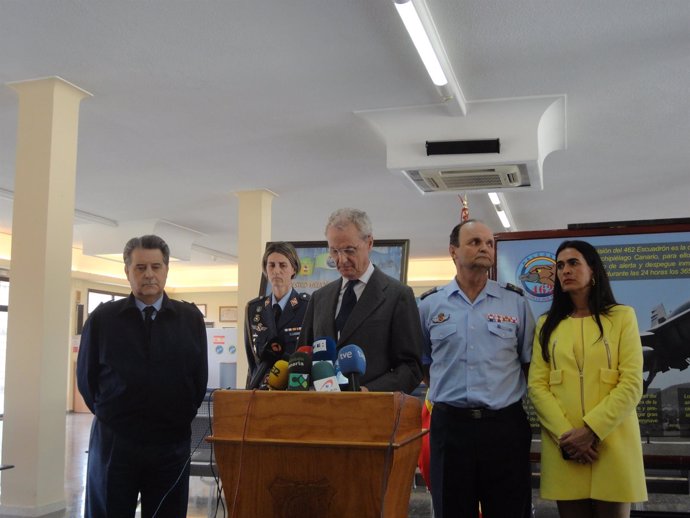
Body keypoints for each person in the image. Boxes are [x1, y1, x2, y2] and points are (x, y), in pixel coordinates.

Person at [77, 235, 208, 518]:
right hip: (115, 442)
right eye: (140, 267)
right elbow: (87, 381)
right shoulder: (103, 320)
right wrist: (113, 413)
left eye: (155, 266)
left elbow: (198, 381)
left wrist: (177, 416)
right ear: (127, 271)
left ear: (166, 270)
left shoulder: (190, 319)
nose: (148, 274)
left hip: (170, 444)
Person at [418, 219, 535, 518]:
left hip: (504, 427)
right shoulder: (429, 306)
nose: (484, 248)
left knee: (510, 511)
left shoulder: (515, 303)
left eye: (489, 243)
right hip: (450, 427)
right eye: (474, 242)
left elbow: (527, 363)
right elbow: (423, 363)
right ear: (453, 251)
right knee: (451, 510)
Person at [527, 240, 647, 518]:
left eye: (573, 262)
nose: (565, 270)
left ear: (593, 269)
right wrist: (567, 438)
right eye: (559, 265)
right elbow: (537, 386)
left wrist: (590, 431)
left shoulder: (622, 317)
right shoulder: (547, 325)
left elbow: (631, 384)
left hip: (612, 444)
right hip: (565, 447)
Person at [298, 207, 423, 393]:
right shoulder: (319, 298)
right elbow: (303, 356)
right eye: (334, 251)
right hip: (320, 410)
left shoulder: (398, 296)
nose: (341, 259)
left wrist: (369, 392)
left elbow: (411, 368)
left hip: (370, 411)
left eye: (349, 250)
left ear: (370, 243)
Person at [244, 241, 310, 386]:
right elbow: (252, 360)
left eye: (283, 265)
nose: (276, 271)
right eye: (271, 265)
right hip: (261, 389)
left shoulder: (307, 307)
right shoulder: (254, 309)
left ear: (293, 269)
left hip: (294, 387)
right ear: (266, 269)